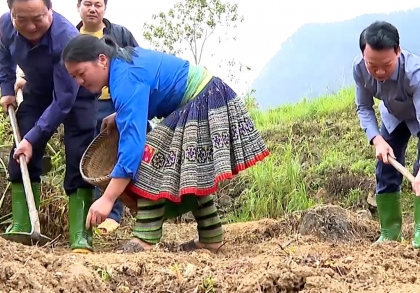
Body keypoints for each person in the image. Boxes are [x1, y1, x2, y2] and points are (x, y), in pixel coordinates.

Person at [62, 34, 270, 253]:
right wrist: (119, 114)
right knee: (190, 172)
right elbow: (150, 92)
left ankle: (145, 239)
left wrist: (108, 198)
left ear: (102, 60)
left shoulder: (124, 78)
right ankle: (211, 237)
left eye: (81, 73)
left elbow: (132, 147)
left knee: (151, 161)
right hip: (209, 95)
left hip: (204, 101)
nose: (79, 82)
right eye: (74, 77)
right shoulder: (123, 63)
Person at [0, 0, 99, 253]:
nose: (30, 26)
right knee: (21, 151)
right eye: (22, 19)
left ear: (50, 9)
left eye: (38, 18)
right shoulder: (6, 24)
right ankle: (23, 224)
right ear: (12, 14)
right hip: (39, 92)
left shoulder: (65, 38)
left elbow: (64, 100)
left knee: (80, 157)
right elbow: (3, 55)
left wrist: (34, 137)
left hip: (76, 95)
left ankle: (80, 234)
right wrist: (6, 87)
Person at [353, 21, 420, 249]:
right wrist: (377, 140)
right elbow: (364, 107)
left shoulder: (416, 74)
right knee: (386, 165)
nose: (379, 72)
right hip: (394, 112)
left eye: (386, 66)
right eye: (372, 65)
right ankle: (389, 232)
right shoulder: (359, 69)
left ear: (398, 52)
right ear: (363, 56)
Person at [74, 0, 140, 235]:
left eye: (98, 5)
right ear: (79, 7)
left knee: (115, 153)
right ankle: (90, 212)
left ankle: (112, 214)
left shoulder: (119, 33)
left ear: (104, 9)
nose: (93, 8)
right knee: (89, 157)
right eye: (87, 4)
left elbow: (136, 60)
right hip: (83, 104)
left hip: (114, 103)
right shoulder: (71, 35)